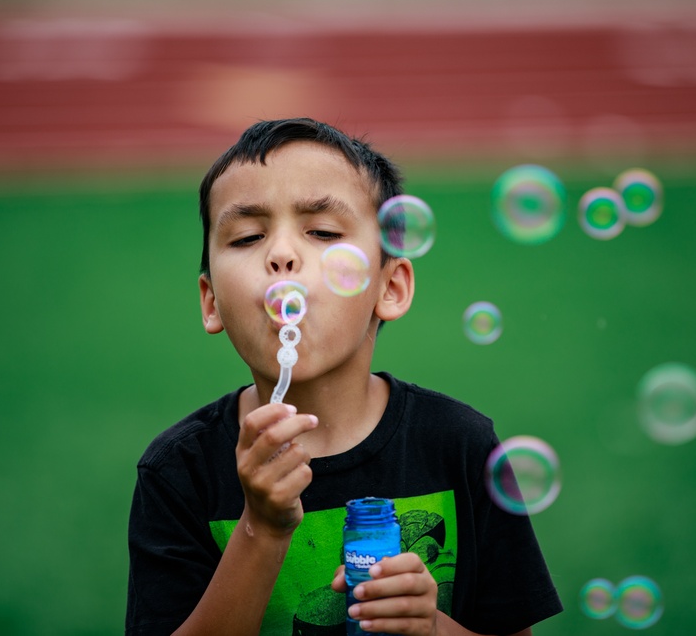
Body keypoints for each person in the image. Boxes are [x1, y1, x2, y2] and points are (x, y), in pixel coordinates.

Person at [126, 117, 563, 636]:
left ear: (390, 287)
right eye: (246, 236)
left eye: (323, 232)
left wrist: (431, 628)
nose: (282, 255)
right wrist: (261, 531)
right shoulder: (180, 472)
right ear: (211, 301)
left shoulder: (460, 445)